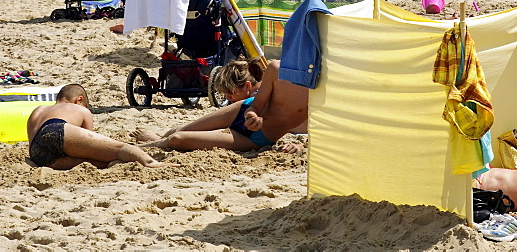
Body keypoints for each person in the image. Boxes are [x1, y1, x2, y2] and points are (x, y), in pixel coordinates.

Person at [133, 60, 307, 152]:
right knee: (177, 130)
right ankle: (157, 141)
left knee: (177, 139)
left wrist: (302, 146)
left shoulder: (319, 90)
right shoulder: (275, 68)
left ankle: (140, 149)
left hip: (257, 138)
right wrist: (253, 114)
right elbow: (256, 105)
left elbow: (327, 131)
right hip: (243, 109)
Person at [26, 83, 161, 169]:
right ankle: (152, 163)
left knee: (96, 163)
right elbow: (90, 143)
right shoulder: (80, 109)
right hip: (56, 129)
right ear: (79, 100)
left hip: (39, 155)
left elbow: (34, 141)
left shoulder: (39, 110)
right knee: (121, 149)